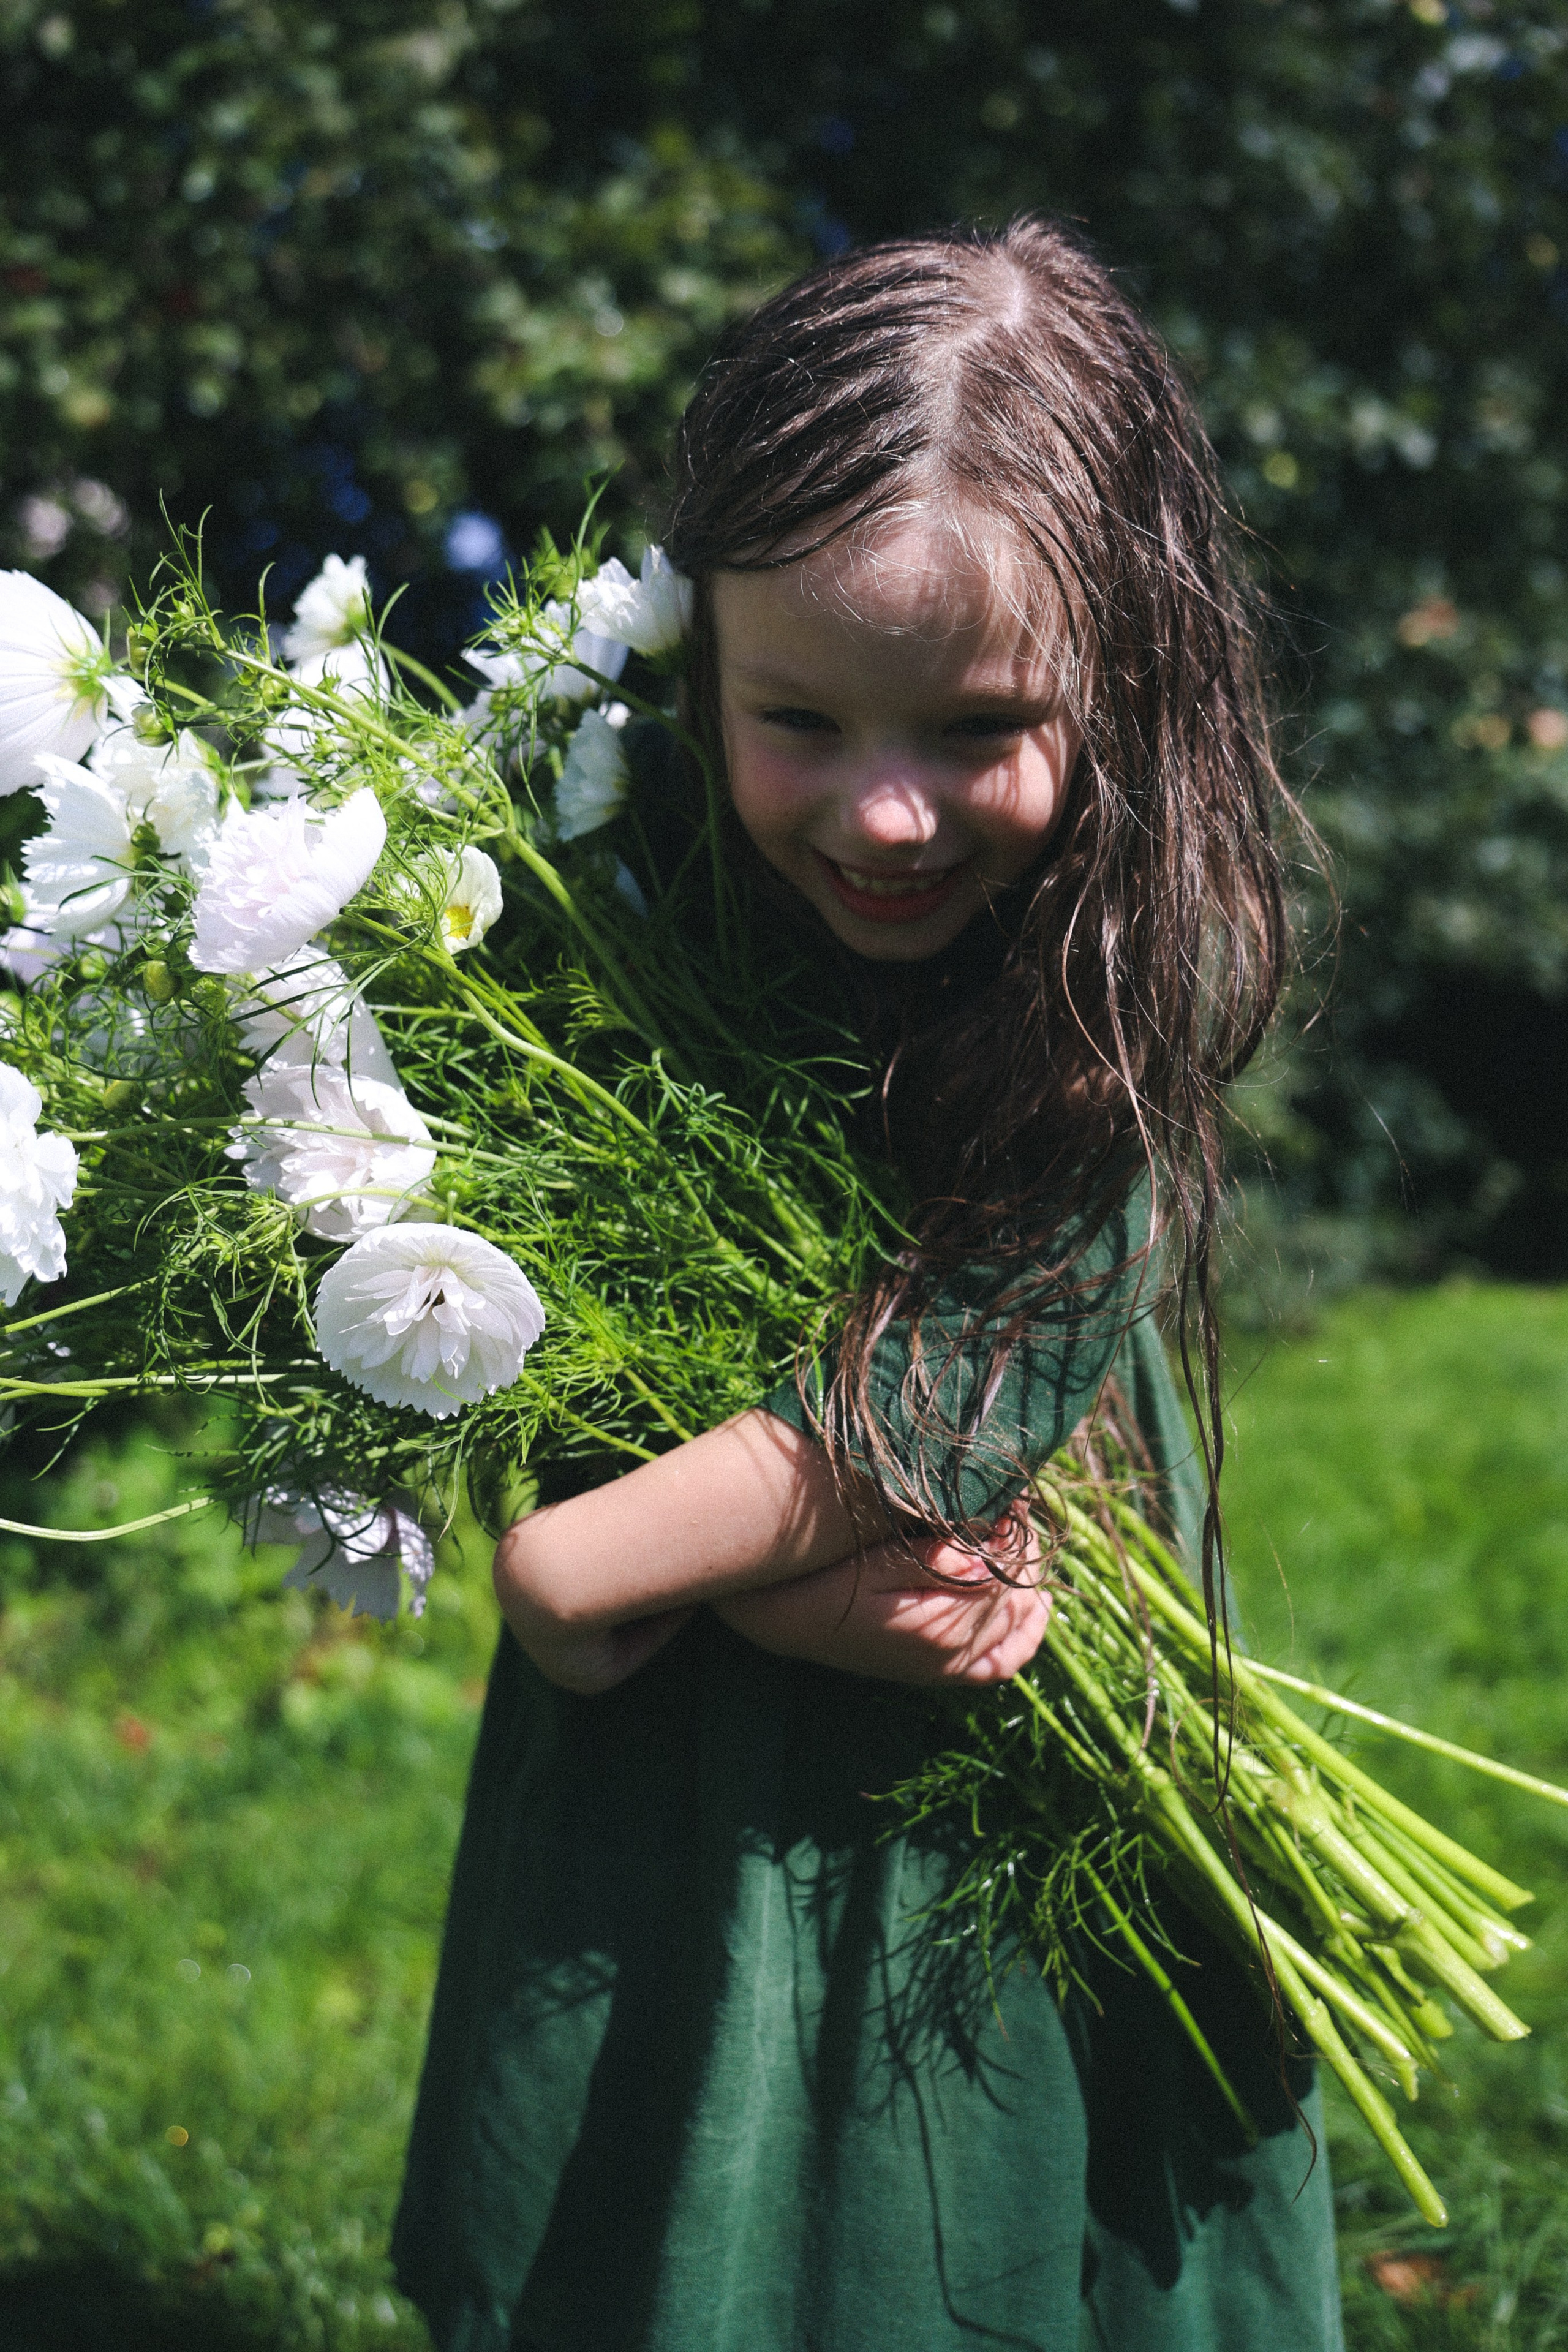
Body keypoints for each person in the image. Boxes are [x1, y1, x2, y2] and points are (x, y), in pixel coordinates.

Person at [392, 219, 1343, 2351]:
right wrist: (702, 1568)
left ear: (1128, 678)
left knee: (970, 2158)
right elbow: (478, 1311)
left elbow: (938, 1408)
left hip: (995, 1745)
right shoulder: (617, 906)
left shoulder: (1115, 970)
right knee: (678, 2149)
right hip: (675, 1745)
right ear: (700, 662)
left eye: (981, 725)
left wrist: (594, 1569)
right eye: (800, 717)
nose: (887, 812)